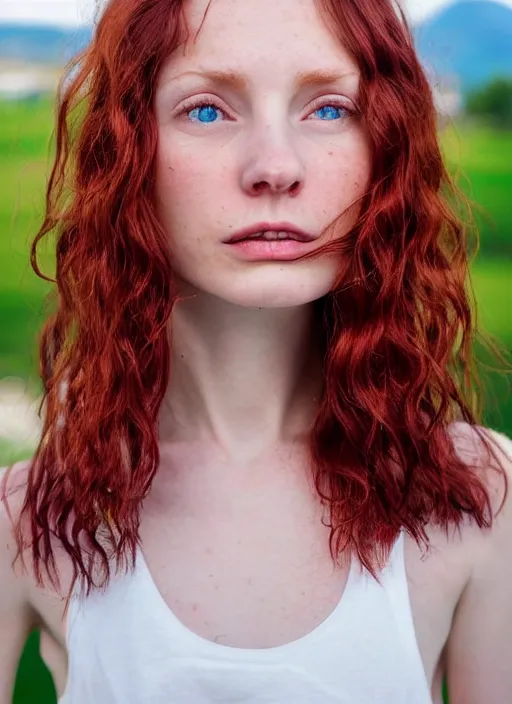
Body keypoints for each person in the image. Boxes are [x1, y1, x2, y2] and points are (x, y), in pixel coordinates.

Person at [1, 0, 511, 702]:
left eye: (329, 109)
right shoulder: (28, 521)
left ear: (386, 149)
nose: (275, 167)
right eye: (208, 110)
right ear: (127, 154)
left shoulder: (479, 497)